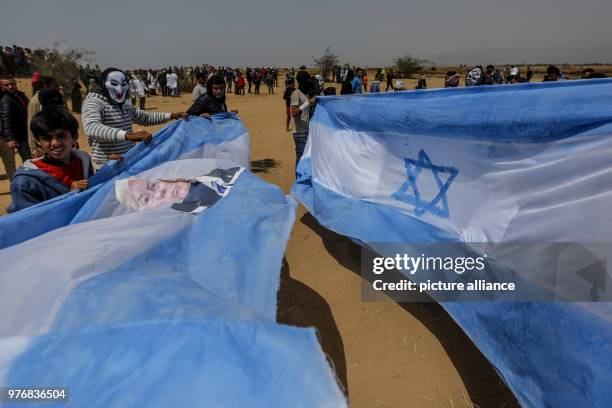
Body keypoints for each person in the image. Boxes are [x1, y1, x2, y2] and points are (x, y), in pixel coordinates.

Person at [82, 68, 187, 170]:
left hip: (127, 161)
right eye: (114, 84)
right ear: (103, 84)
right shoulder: (94, 102)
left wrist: (171, 116)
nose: (119, 89)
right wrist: (127, 135)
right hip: (106, 166)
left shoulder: (125, 104)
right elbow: (92, 127)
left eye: (123, 84)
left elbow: (144, 118)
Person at [8, 106, 93, 212]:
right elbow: (30, 221)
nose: (55, 143)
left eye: (61, 136)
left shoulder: (83, 161)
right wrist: (69, 197)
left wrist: (113, 167)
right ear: (38, 141)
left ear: (74, 137)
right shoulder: (25, 183)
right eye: (47, 138)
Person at [0, 74, 30, 171]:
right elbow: (5, 119)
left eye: (12, 84)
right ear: (1, 86)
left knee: (29, 158)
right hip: (18, 135)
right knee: (27, 159)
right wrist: (10, 138)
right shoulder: (6, 100)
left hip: (25, 132)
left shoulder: (20, 95)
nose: (10, 86)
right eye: (6, 85)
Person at [290, 70, 316, 175]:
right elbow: (294, 112)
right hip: (300, 133)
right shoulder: (296, 94)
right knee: (301, 159)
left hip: (308, 131)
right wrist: (308, 103)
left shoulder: (308, 93)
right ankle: (299, 182)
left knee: (308, 159)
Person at [27, 76, 59, 158]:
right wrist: (34, 149)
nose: (57, 88)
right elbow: (31, 125)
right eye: (55, 86)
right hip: (43, 146)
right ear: (46, 86)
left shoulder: (51, 98)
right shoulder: (36, 102)